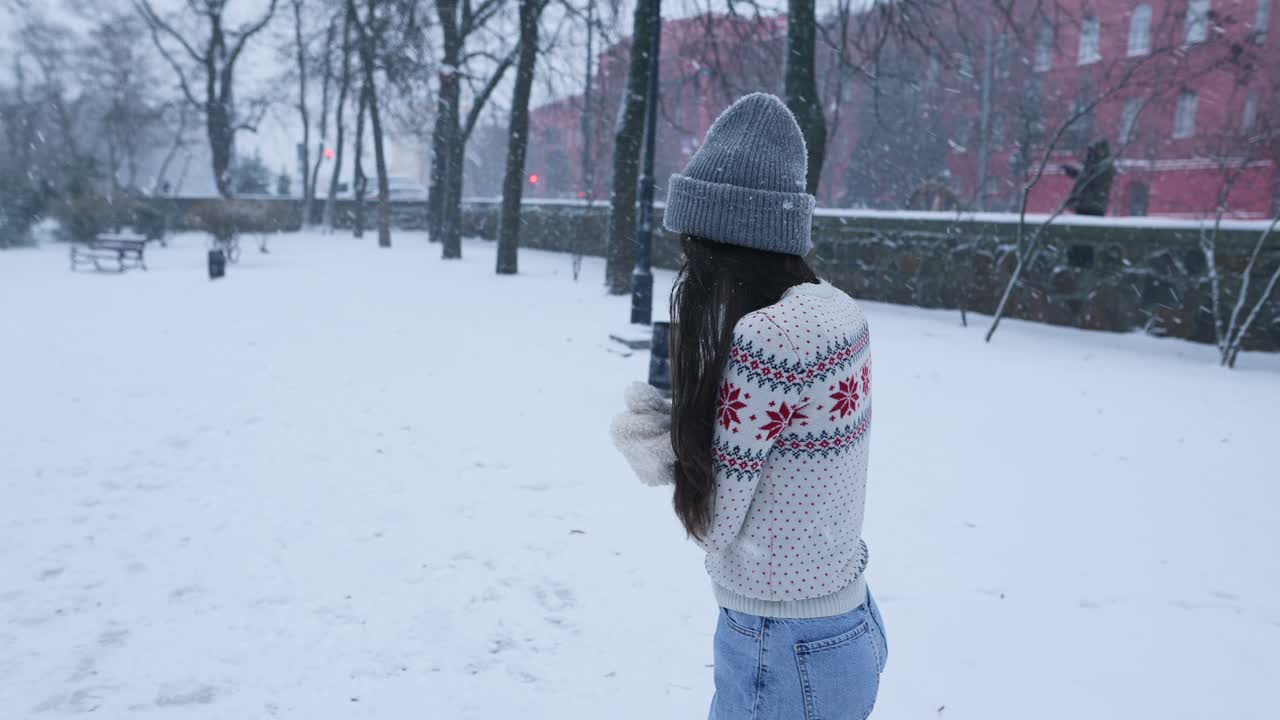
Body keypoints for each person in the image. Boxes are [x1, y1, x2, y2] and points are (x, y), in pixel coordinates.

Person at [612, 93, 886, 720]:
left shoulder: (767, 337)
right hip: (843, 620)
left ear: (722, 242)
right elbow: (795, 448)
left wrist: (671, 454)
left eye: (693, 249)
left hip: (779, 642)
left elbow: (717, 524)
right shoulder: (834, 308)